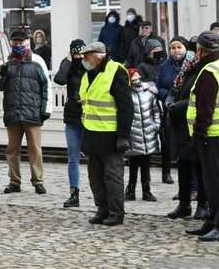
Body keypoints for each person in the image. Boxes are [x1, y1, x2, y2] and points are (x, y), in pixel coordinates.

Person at [185, 30, 219, 242]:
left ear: (200, 50)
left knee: (216, 182)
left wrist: (198, 136)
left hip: (214, 134)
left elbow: (205, 109)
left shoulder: (209, 72)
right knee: (217, 180)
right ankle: (213, 220)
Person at [79, 41, 133, 227]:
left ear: (98, 58)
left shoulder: (115, 72)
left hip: (111, 136)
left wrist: (123, 136)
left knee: (113, 177)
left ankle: (116, 212)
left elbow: (126, 107)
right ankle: (102, 209)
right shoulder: (89, 74)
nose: (84, 61)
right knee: (95, 177)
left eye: (87, 57)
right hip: (92, 133)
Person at [0, 31, 50, 195]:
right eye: (15, 44)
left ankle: (38, 181)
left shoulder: (37, 62)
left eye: (21, 44)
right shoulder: (7, 62)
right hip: (13, 112)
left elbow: (46, 86)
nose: (18, 47)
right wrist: (2, 73)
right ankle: (14, 181)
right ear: (11, 44)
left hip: (32, 112)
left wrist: (45, 110)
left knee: (35, 149)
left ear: (27, 44)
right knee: (12, 150)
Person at [164, 38, 209, 220]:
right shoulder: (184, 74)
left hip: (196, 124)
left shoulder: (203, 74)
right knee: (183, 166)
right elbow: (173, 90)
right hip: (181, 126)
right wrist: (169, 100)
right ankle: (184, 204)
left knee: (200, 167)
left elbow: (198, 99)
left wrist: (178, 106)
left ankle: (203, 205)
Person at [53, 39, 87, 208]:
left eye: (82, 54)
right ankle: (74, 193)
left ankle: (101, 194)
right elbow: (59, 80)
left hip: (90, 116)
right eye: (76, 54)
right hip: (73, 115)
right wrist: (68, 61)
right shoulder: (68, 65)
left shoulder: (90, 64)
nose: (80, 57)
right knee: (73, 158)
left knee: (96, 157)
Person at [137, 38, 173, 184]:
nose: (158, 53)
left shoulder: (165, 65)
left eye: (160, 50)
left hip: (164, 103)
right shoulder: (142, 66)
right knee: (150, 139)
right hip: (149, 106)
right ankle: (146, 175)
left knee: (166, 140)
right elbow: (139, 83)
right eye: (154, 51)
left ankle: (167, 172)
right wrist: (151, 85)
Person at [124, 68, 161, 202]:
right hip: (134, 135)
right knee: (133, 164)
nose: (137, 80)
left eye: (138, 77)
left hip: (148, 133)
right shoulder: (127, 95)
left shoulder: (149, 94)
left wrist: (155, 125)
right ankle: (130, 190)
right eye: (134, 79)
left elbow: (156, 110)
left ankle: (147, 191)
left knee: (146, 164)